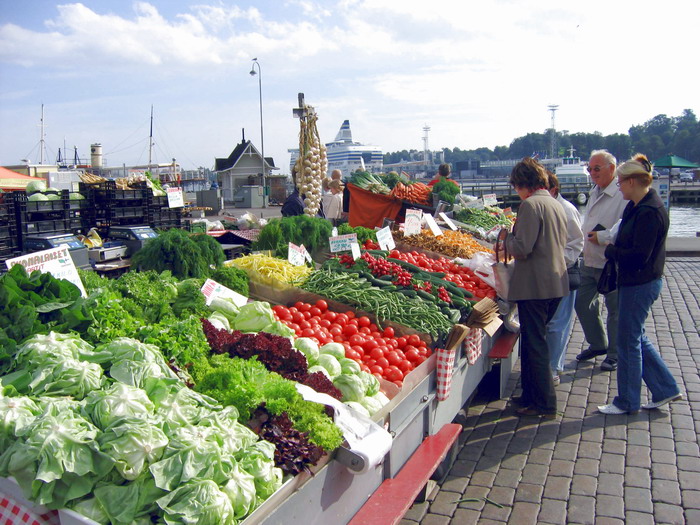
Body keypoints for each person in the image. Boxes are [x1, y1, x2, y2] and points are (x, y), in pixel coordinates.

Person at [597, 154, 682, 414]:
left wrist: (611, 250)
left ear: (633, 181)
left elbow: (638, 256)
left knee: (627, 341)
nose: (618, 186)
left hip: (640, 282)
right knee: (637, 337)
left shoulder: (649, 212)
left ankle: (628, 401)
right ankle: (665, 388)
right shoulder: (638, 206)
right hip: (638, 281)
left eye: (621, 182)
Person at [501, 157, 569, 418]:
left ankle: (544, 404)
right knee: (533, 342)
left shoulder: (530, 205)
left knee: (536, 345)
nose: (516, 191)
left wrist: (507, 238)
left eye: (516, 186)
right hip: (555, 281)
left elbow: (522, 248)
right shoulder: (554, 203)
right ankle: (529, 395)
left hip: (535, 286)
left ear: (523, 184)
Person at [574, 150, 628, 371]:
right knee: (582, 303)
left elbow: (626, 228)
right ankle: (598, 344)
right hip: (589, 259)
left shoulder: (622, 194)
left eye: (597, 168)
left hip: (610, 263)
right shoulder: (594, 190)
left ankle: (615, 353)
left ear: (612, 169)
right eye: (590, 169)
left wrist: (603, 237)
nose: (592, 173)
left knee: (615, 310)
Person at [545, 172, 584, 386]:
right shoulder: (548, 207)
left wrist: (557, 264)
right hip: (549, 274)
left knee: (558, 323)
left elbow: (577, 244)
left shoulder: (567, 210)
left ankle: (553, 369)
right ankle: (549, 365)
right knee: (552, 322)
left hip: (564, 273)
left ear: (553, 189)